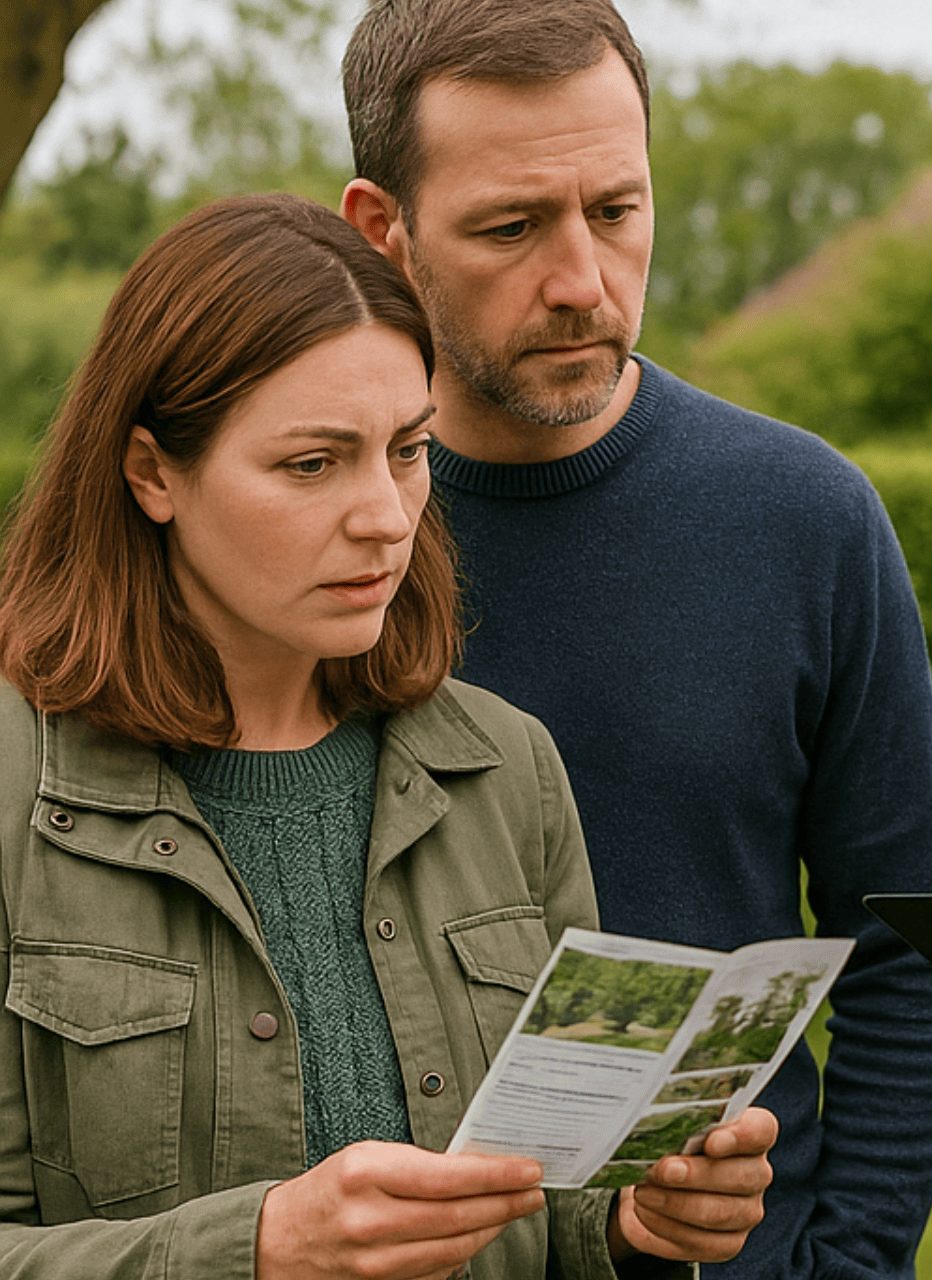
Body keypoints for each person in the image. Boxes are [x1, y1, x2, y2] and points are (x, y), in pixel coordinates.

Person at [0, 192, 777, 1279]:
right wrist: (255, 1250)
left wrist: (636, 1219)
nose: (384, 514)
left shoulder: (509, 769)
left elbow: (559, 1204)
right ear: (151, 472)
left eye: (407, 449)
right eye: (312, 463)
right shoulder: (16, 789)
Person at [337, 5, 932, 1277]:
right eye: (512, 225)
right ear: (381, 233)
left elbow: (909, 949)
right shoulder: (309, 532)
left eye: (616, 212)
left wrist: (841, 1266)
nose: (580, 279)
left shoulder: (806, 517)